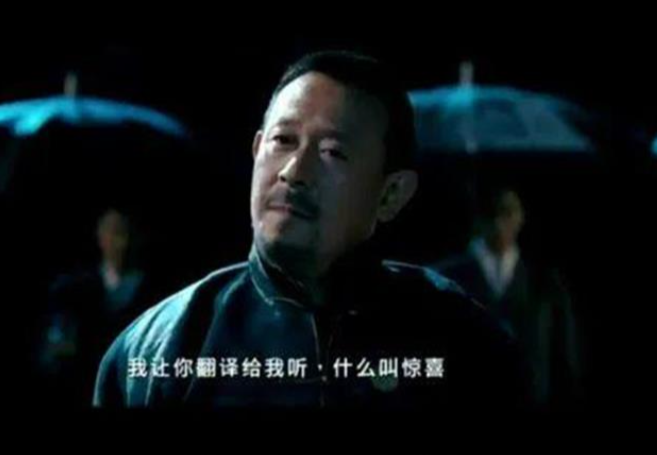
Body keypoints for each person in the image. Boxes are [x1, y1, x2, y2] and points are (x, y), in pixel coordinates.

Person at [94, 51, 528, 408]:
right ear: (256, 150)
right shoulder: (159, 348)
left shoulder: (463, 342)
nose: (294, 171)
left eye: (332, 152)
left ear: (391, 193)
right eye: (282, 141)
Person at [436, 185, 582, 407]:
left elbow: (564, 353)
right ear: (478, 220)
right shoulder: (446, 277)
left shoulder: (543, 280)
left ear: (521, 216)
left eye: (507, 213)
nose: (499, 224)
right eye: (491, 214)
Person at [40, 208, 157, 406]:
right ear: (100, 237)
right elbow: (57, 348)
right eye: (114, 233)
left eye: (126, 233)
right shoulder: (72, 290)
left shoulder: (154, 291)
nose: (121, 243)